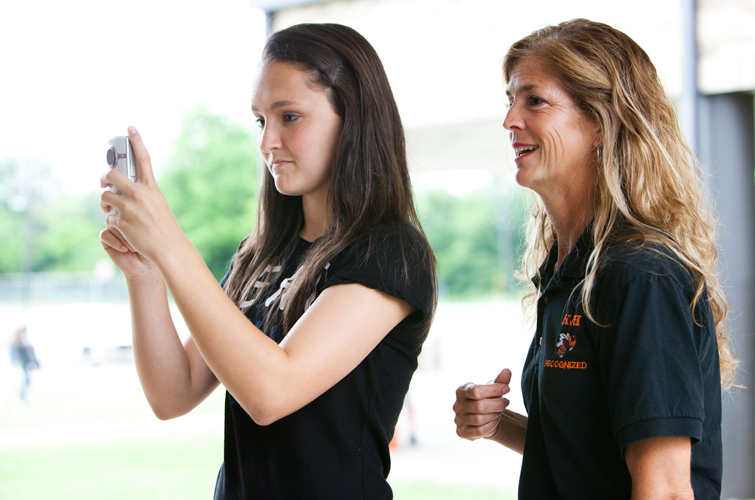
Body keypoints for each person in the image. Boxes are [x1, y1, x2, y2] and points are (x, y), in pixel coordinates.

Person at [99, 23, 436, 499]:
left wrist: (170, 242)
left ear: (354, 119)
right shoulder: (260, 253)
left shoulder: (391, 252)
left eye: (290, 117)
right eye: (260, 120)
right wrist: (145, 271)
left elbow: (271, 393)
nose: (267, 143)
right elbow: (173, 394)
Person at [452, 18, 735, 499]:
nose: (509, 121)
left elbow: (665, 490)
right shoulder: (571, 275)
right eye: (510, 100)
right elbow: (587, 455)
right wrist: (499, 426)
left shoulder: (640, 275)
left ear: (602, 122)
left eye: (534, 100)